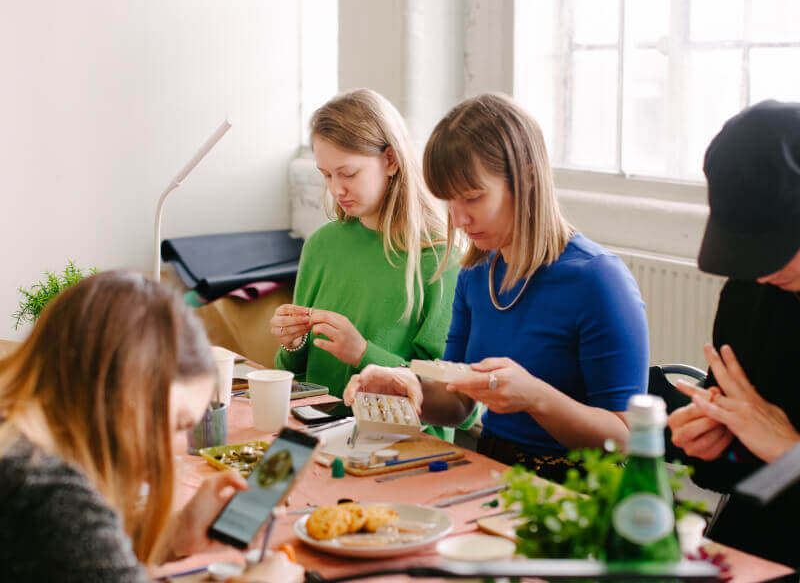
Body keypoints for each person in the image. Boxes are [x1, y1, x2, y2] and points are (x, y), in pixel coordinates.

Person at [345, 93, 649, 482]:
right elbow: (457, 403)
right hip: (491, 471)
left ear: (528, 176)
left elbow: (625, 437)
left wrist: (535, 397)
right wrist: (408, 385)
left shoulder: (598, 280)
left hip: (577, 489)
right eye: (448, 201)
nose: (459, 218)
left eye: (473, 197)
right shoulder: (476, 272)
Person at [0, 271, 302, 582]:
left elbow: (71, 558)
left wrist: (176, 532)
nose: (177, 447)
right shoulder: (47, 491)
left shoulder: (20, 444)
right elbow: (72, 534)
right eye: (177, 423)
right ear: (122, 393)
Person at [270, 89, 468, 441]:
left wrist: (362, 353)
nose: (336, 190)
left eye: (348, 173)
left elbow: (450, 400)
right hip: (317, 434)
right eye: (326, 175)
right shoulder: (321, 245)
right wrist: (292, 344)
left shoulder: (440, 260)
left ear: (390, 160)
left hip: (402, 449)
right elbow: (297, 376)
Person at [667, 99, 800, 567]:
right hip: (757, 540)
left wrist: (791, 451)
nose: (762, 274)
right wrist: (715, 448)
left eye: (777, 249)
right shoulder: (751, 294)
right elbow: (754, 482)